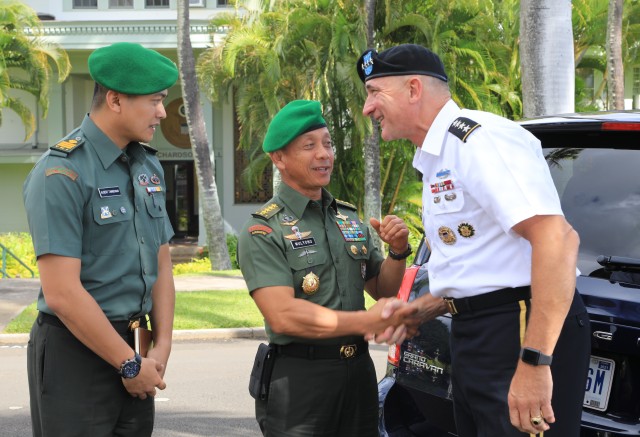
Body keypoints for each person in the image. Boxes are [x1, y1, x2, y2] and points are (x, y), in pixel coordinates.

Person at [356, 44, 591, 436]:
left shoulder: (478, 141)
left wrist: (534, 362)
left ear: (414, 89)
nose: (368, 109)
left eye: (374, 93)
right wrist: (415, 312)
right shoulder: (437, 157)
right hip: (477, 336)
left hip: (517, 328)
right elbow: (479, 266)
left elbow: (558, 240)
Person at [23, 42, 177, 437]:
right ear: (115, 100)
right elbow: (61, 294)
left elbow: (161, 260)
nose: (162, 112)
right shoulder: (61, 173)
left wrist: (160, 348)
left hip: (135, 351)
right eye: (155, 101)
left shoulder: (148, 166)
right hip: (75, 354)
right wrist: (128, 363)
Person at [237, 99, 414, 437]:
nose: (324, 154)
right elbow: (283, 316)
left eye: (328, 143)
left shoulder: (347, 218)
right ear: (279, 158)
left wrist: (398, 251)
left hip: (358, 374)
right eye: (309, 146)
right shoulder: (264, 229)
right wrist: (366, 321)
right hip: (302, 378)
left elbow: (383, 289)